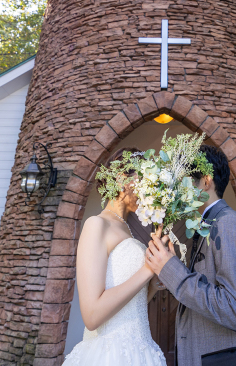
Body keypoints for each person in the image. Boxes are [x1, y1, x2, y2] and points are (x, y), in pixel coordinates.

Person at [144, 146, 236, 366]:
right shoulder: (207, 225)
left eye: (184, 180)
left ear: (206, 181)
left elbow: (235, 309)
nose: (177, 189)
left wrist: (172, 270)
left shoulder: (228, 225)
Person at [63, 148, 166, 366]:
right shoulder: (96, 224)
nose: (149, 191)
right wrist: (146, 270)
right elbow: (92, 316)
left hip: (141, 351)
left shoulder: (128, 228)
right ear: (122, 180)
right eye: (145, 182)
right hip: (109, 354)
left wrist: (153, 284)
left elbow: (131, 306)